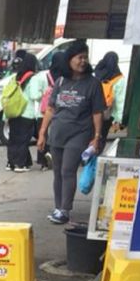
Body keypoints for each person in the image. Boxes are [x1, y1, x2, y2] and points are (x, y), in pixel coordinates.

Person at [37, 40, 106, 226]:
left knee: (68, 170)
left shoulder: (93, 84)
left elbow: (97, 112)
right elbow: (50, 109)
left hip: (80, 133)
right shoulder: (60, 81)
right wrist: (42, 133)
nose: (83, 61)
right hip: (58, 132)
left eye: (85, 57)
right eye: (79, 57)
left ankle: (65, 209)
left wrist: (96, 137)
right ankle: (58, 207)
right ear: (70, 60)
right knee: (57, 172)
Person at [4, 49, 45, 172]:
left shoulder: (16, 76)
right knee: (23, 140)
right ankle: (20, 165)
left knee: (13, 139)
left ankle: (11, 163)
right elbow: (34, 96)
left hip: (14, 111)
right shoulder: (33, 78)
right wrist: (43, 94)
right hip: (27, 113)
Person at [94, 51, 125, 136]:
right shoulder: (119, 79)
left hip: (93, 112)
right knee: (102, 135)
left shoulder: (96, 73)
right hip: (108, 113)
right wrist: (118, 119)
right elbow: (120, 101)